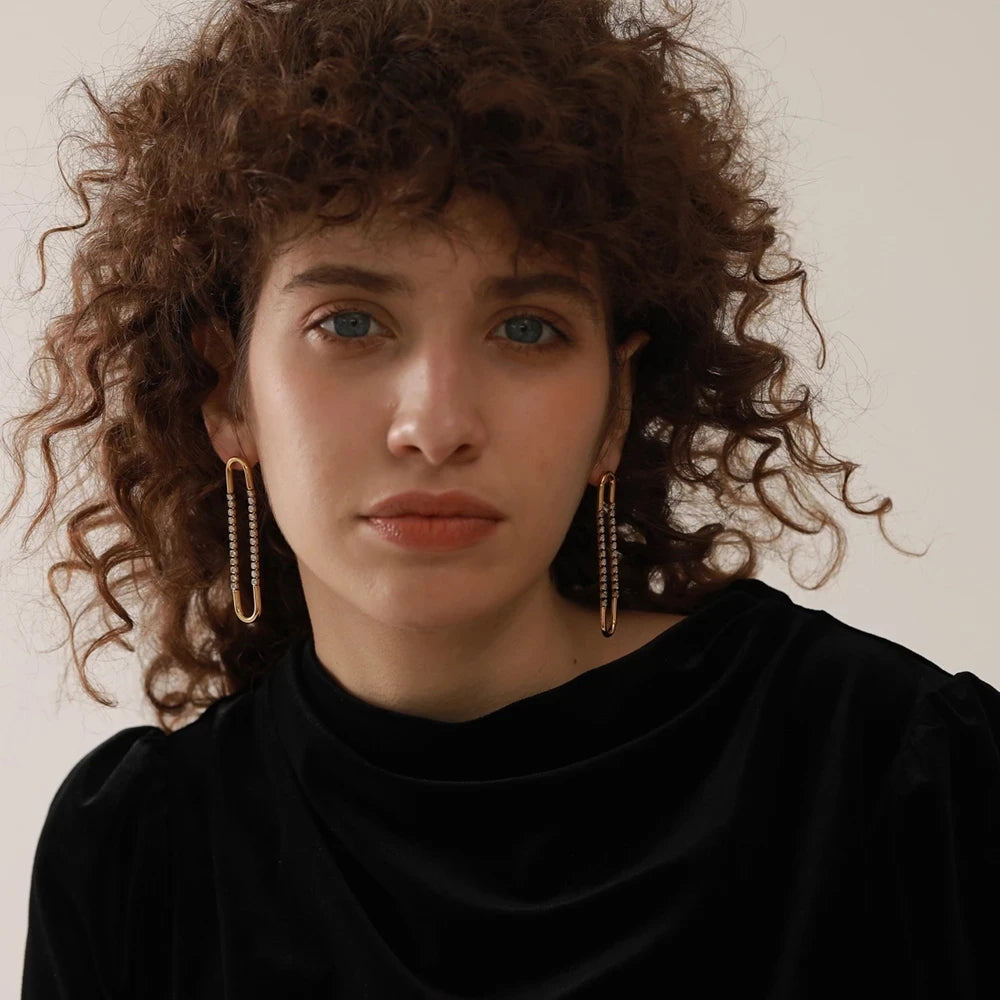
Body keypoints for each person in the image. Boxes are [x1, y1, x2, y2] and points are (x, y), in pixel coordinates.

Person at [10, 0, 997, 996]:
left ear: (614, 409)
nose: (436, 424)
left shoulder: (893, 772)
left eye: (526, 330)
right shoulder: (140, 859)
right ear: (228, 394)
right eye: (350, 322)